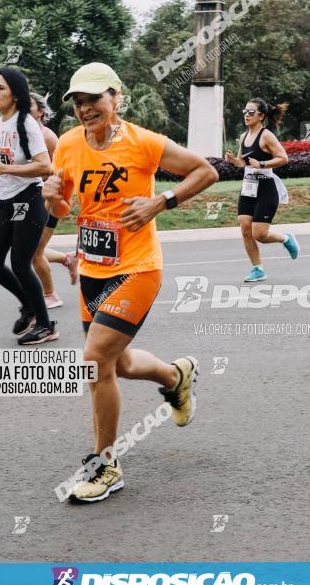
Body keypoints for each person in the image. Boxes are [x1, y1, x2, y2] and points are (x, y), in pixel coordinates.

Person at [42, 61, 218, 503]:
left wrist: (160, 202)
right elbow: (66, 209)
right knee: (114, 365)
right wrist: (53, 197)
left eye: (94, 99)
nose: (85, 109)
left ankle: (105, 465)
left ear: (116, 99)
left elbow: (205, 171)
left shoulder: (144, 142)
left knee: (94, 359)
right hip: (94, 268)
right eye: (78, 102)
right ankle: (175, 375)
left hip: (138, 267)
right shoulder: (66, 146)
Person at [0, 67, 57, 345]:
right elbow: (6, 163)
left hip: (29, 200)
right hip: (5, 203)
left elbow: (44, 166)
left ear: (15, 94)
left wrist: (6, 168)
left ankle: (46, 325)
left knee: (21, 265)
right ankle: (29, 306)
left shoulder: (27, 124)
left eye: (0, 89)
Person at [226, 97, 299, 282]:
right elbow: (244, 162)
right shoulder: (243, 137)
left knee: (259, 234)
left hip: (266, 187)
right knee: (245, 228)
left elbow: (283, 158)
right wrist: (235, 162)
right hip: (248, 186)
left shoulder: (266, 135)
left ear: (261, 116)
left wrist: (263, 163)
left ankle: (286, 238)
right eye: (245, 112)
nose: (247, 115)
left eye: (251, 112)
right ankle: (258, 269)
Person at [29, 92, 74, 310]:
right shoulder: (23, 134)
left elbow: (63, 171)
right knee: (26, 248)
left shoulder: (48, 136)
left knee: (33, 251)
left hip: (48, 200)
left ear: (41, 111)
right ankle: (68, 260)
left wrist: (53, 197)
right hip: (28, 200)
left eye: (29, 106)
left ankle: (51, 295)